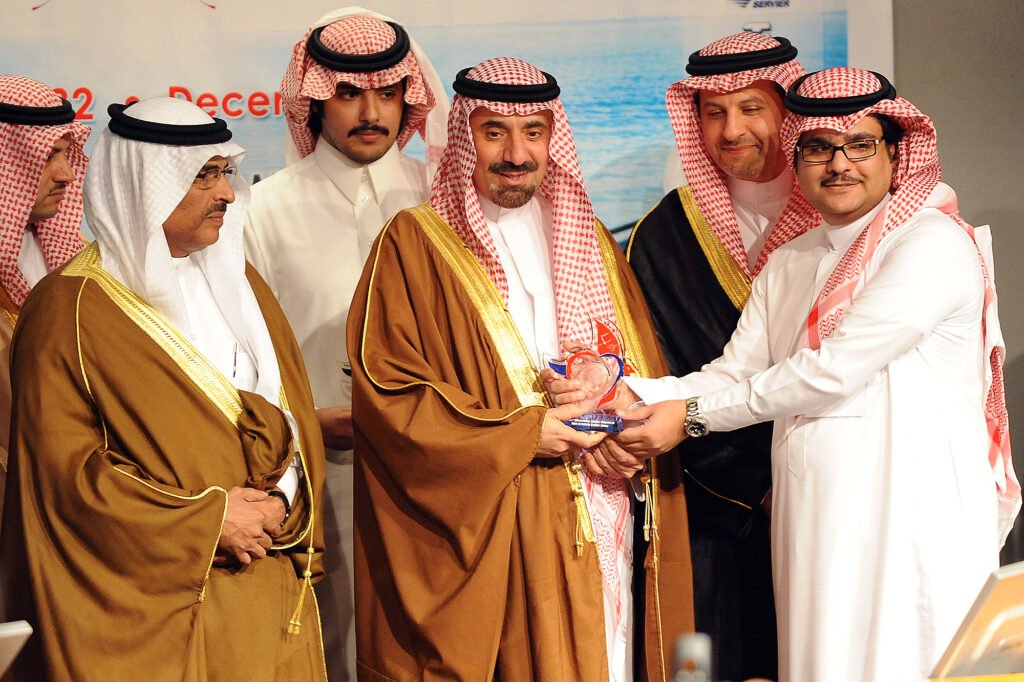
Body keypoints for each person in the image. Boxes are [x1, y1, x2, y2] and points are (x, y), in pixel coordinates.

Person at [554, 67, 1020, 682]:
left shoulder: (930, 244)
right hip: (815, 520)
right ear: (797, 160)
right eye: (819, 148)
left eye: (860, 145)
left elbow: (830, 372)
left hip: (912, 515)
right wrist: (624, 394)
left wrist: (688, 418)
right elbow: (733, 372)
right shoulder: (791, 260)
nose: (839, 164)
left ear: (895, 152)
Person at [348, 57, 694, 680]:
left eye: (534, 132)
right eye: (494, 133)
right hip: (504, 508)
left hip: (604, 500)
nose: (516, 153)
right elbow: (391, 395)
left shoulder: (590, 236)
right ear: (465, 139)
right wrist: (519, 435)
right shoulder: (413, 245)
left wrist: (624, 421)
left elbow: (636, 356)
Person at [0, 97, 327, 680]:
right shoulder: (68, 308)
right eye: (204, 176)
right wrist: (208, 523)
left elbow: (290, 415)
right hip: (152, 609)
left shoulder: (244, 284)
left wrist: (279, 500)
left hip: (265, 577)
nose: (227, 193)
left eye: (225, 172)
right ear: (143, 185)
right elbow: (63, 480)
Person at [243, 11, 446, 677]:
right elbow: (245, 357)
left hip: (440, 465)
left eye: (388, 93)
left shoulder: (442, 195)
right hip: (323, 466)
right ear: (314, 101)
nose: (370, 112)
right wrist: (304, 423)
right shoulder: (262, 210)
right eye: (349, 94)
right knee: (335, 642)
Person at [625, 33, 816, 680]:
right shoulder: (662, 236)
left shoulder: (841, 221)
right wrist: (753, 487)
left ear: (788, 112)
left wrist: (792, 480)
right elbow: (664, 369)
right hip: (707, 500)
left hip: (824, 491)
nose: (731, 130)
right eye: (713, 112)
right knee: (698, 663)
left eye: (752, 108)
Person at [0, 75, 90, 511]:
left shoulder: (74, 253)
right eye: (48, 155)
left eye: (66, 154)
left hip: (73, 492)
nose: (67, 175)